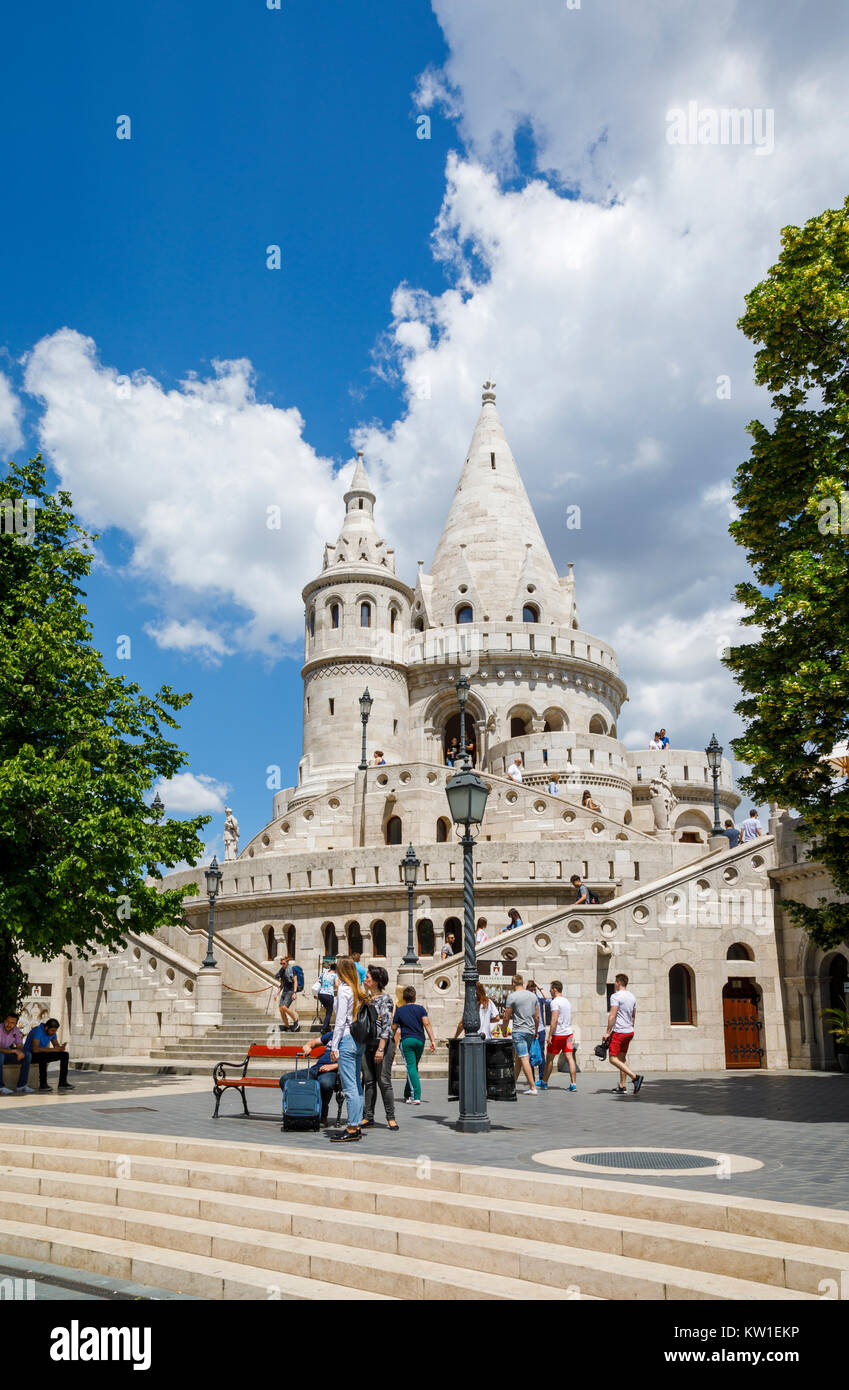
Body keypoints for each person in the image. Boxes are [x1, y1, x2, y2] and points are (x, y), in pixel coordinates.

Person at [329, 956, 369, 1141]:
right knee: (356, 1084)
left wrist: (334, 1045)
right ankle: (357, 1123)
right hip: (358, 1041)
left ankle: (352, 1127)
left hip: (346, 1039)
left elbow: (339, 1021)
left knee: (349, 1086)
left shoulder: (344, 990)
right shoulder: (358, 991)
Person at [362, 965, 399, 1131]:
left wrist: (381, 1049)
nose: (365, 979)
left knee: (383, 1081)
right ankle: (368, 1117)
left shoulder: (386, 999)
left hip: (382, 1044)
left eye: (368, 977)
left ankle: (391, 1117)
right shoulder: (365, 998)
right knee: (369, 1081)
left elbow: (387, 1026)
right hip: (366, 1044)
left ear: (376, 981)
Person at [392, 985, 435, 1105]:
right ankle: (407, 1095)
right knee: (413, 1067)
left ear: (404, 998)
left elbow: (394, 1028)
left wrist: (388, 1042)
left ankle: (416, 1095)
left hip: (406, 1041)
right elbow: (427, 1024)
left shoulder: (400, 1010)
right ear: (415, 997)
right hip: (420, 1041)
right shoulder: (421, 1009)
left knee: (411, 1067)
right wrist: (433, 1040)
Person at [604, 972, 643, 1095]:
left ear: (619, 982)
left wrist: (607, 1032)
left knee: (612, 1059)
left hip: (619, 1032)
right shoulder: (632, 996)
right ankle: (622, 1086)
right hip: (629, 1031)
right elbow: (633, 1015)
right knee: (621, 1058)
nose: (615, 984)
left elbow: (612, 1015)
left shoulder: (616, 996)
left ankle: (635, 1077)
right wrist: (630, 1027)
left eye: (616, 982)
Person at [503, 974, 540, 1095]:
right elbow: (537, 1016)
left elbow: (506, 1016)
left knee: (524, 1058)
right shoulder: (532, 996)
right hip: (530, 1031)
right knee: (519, 1059)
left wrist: (504, 1029)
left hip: (519, 1031)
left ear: (513, 983)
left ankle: (533, 1087)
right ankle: (511, 1085)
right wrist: (535, 1031)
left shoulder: (512, 996)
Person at [295, 1032, 339, 1125]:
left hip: (331, 1070)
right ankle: (299, 1111)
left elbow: (352, 1059)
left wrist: (334, 1066)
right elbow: (314, 1042)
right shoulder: (332, 1034)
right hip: (316, 1068)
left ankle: (322, 1115)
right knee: (286, 1079)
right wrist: (307, 1046)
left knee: (325, 1083)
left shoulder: (349, 1037)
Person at [543, 981, 577, 1091]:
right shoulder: (566, 1001)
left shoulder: (555, 1002)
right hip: (568, 1034)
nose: (549, 991)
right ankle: (573, 1084)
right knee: (570, 1058)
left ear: (555, 989)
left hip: (558, 1035)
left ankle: (544, 1082)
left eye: (551, 989)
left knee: (549, 1059)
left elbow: (554, 1019)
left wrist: (550, 1036)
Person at [25, 1018, 74, 1092]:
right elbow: (35, 1049)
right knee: (43, 1056)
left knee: (65, 1055)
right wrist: (55, 1049)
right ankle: (43, 1084)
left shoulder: (52, 1033)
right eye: (52, 1030)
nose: (53, 1032)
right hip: (30, 1054)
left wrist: (61, 1048)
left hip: (42, 1053)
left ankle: (62, 1082)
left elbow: (56, 1046)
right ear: (46, 1027)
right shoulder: (38, 1030)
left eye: (55, 1031)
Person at [0, 1013, 35, 1095]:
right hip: (1, 1053)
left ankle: (22, 1085)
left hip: (7, 1054)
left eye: (12, 1023)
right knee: (0, 1056)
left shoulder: (16, 1030)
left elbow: (19, 1045)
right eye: (7, 1022)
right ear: (4, 1021)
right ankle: (1, 1087)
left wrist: (20, 1052)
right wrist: (14, 1051)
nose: (9, 1024)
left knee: (28, 1055)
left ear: (16, 1024)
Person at [526, 979, 551, 1089]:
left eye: (534, 990)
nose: (533, 992)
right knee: (529, 1055)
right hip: (529, 1030)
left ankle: (541, 1078)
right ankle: (532, 1079)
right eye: (531, 990)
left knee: (540, 1053)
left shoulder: (538, 998)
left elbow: (548, 1000)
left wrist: (540, 988)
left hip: (540, 1030)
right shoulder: (525, 999)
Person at [275, 955, 300, 1032]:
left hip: (290, 991)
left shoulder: (292, 970)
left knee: (284, 1007)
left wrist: (295, 992)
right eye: (281, 963)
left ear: (287, 963)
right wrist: (277, 993)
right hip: (284, 992)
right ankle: (287, 1026)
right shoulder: (282, 972)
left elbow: (295, 982)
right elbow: (282, 984)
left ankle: (296, 1021)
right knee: (281, 1009)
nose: (282, 965)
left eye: (283, 963)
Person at [316, 958, 337, 1032]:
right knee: (329, 1011)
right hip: (329, 995)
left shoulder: (324, 973)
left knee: (328, 1010)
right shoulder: (335, 975)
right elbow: (337, 985)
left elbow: (318, 981)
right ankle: (324, 1028)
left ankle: (327, 1026)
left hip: (321, 994)